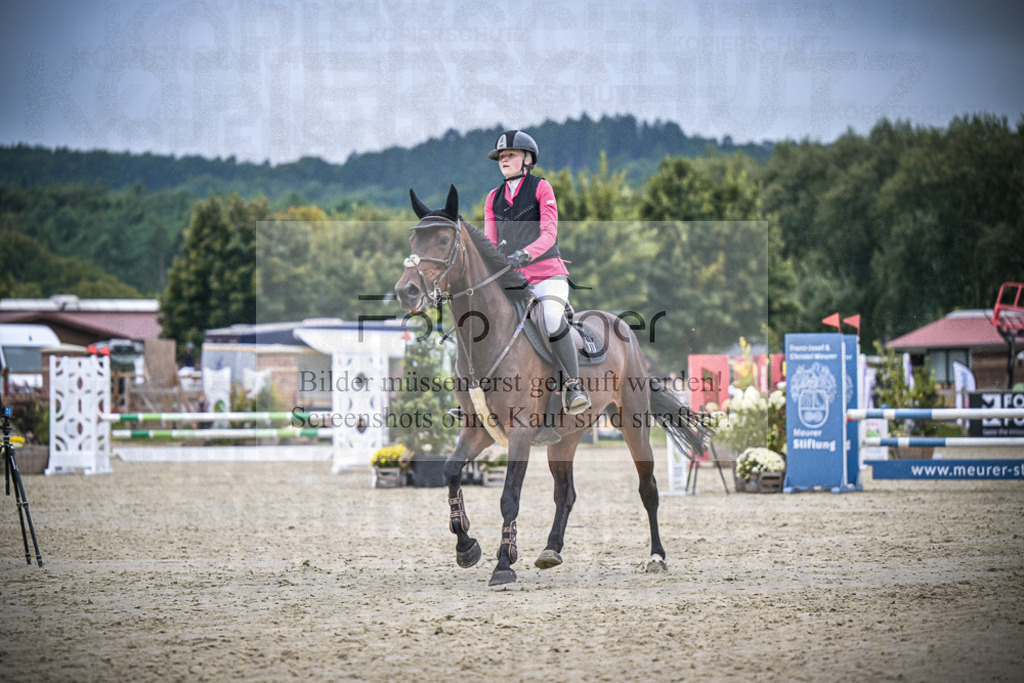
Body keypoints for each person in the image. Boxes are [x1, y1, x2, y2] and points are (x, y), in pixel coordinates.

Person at [483, 129, 591, 415]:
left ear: (527, 159)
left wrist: (525, 254)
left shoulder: (542, 188)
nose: (504, 160)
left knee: (552, 318)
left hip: (547, 276)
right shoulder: (492, 198)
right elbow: (490, 243)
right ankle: (476, 394)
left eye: (510, 155)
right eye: (501, 157)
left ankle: (573, 386)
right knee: (481, 318)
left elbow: (549, 233)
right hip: (513, 281)